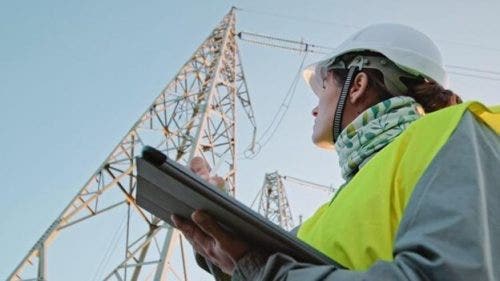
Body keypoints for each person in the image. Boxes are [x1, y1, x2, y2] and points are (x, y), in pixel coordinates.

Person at [171, 23, 500, 280]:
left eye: (324, 87)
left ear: (356, 86)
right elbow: (266, 269)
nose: (314, 109)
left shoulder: (454, 133)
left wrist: (258, 269)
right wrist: (219, 236)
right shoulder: (325, 216)